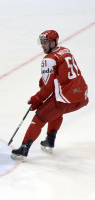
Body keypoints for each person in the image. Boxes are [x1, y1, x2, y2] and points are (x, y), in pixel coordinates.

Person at [11, 30, 89, 161]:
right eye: (41, 42)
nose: (43, 45)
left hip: (65, 99)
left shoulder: (49, 59)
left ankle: (23, 149)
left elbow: (48, 88)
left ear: (53, 43)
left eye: (45, 42)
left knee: (39, 118)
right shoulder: (65, 50)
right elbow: (63, 74)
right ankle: (50, 141)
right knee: (56, 113)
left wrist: (37, 98)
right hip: (82, 96)